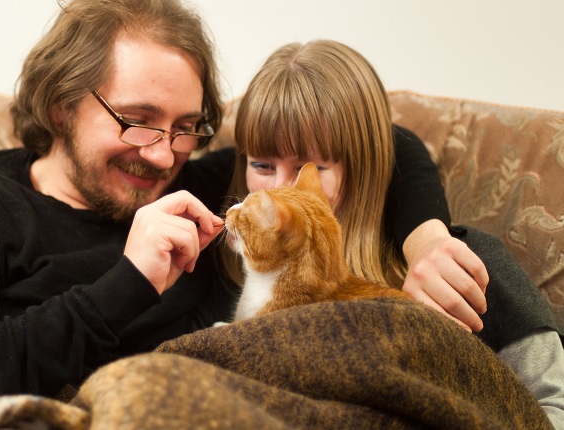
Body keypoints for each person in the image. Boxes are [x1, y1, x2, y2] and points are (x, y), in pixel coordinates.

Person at [0, 0, 481, 423]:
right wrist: (127, 285)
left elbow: (373, 143)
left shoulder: (201, 184)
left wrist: (426, 239)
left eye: (187, 127)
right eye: (137, 122)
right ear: (61, 105)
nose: (162, 156)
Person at [222, 38, 564, 425]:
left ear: (362, 165)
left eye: (311, 168)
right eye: (262, 166)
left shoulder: (464, 263)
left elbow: (553, 405)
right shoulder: (242, 268)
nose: (276, 191)